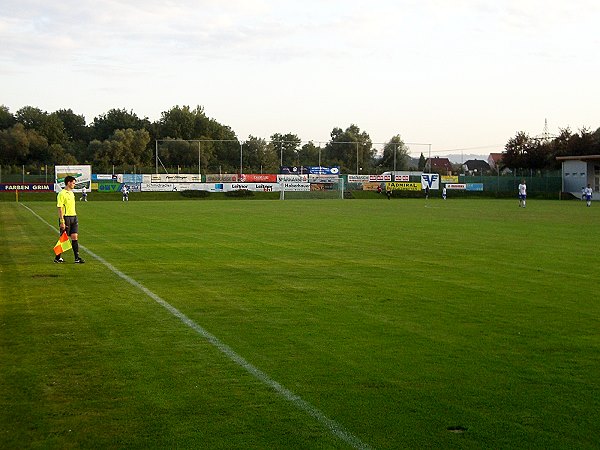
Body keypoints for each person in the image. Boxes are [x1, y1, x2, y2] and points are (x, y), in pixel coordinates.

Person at [55, 176, 85, 264]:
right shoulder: (61, 194)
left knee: (75, 237)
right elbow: (60, 208)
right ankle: (57, 257)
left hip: (74, 217)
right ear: (68, 182)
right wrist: (62, 221)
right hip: (66, 217)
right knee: (63, 239)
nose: (74, 185)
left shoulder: (71, 193)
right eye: (73, 183)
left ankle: (77, 258)